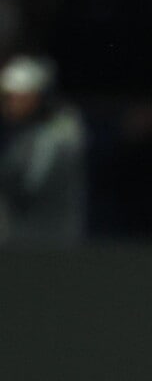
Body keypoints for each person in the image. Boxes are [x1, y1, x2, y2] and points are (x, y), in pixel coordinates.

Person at [0, 55, 88, 248]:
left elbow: (27, 187)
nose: (10, 105)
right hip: (20, 239)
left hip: (47, 241)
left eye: (18, 98)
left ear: (38, 97)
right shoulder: (24, 133)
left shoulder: (59, 132)